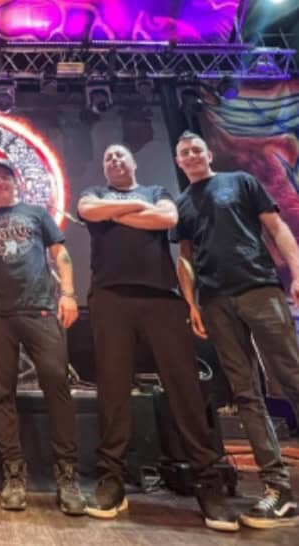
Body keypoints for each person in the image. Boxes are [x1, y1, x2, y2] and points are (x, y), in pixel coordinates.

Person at [76, 143, 238, 532]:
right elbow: (87, 211)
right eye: (108, 158)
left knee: (184, 388)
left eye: (120, 155)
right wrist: (135, 210)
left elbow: (167, 217)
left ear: (133, 163)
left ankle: (208, 482)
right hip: (110, 297)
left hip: (162, 298)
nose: (115, 160)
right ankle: (112, 478)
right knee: (113, 389)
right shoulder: (94, 193)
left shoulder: (158, 192)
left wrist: (118, 213)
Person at [174, 130, 299, 529]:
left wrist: (297, 271)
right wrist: (191, 302)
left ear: (209, 154)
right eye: (184, 152)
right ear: (178, 161)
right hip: (215, 301)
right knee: (245, 393)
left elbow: (277, 228)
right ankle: (278, 489)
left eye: (196, 149)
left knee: (292, 376)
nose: (192, 155)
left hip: (259, 288)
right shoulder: (182, 203)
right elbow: (185, 257)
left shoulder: (241, 182)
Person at [0, 160, 84, 515]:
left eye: (5, 177)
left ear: (15, 182)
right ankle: (14, 473)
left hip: (40, 309)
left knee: (56, 384)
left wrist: (68, 293)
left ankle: (67, 474)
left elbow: (60, 253)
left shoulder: (36, 213)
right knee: (1, 393)